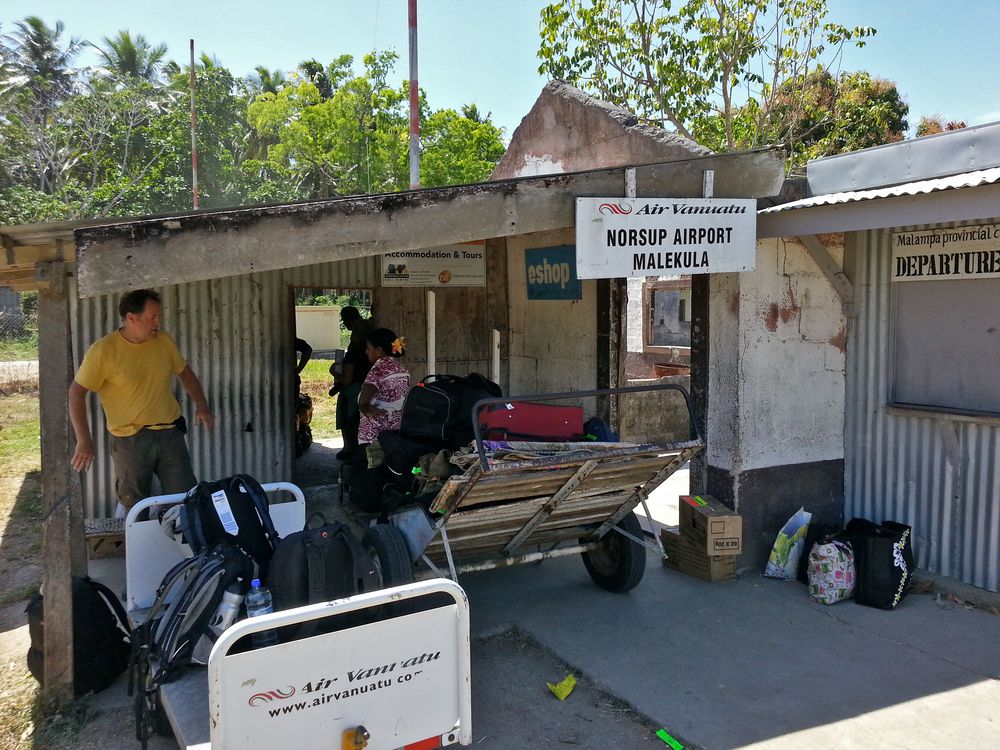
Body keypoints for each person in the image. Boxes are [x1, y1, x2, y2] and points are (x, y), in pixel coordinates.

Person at [69, 289, 215, 516]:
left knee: (186, 497)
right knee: (134, 503)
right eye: (152, 317)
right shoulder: (103, 351)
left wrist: (202, 406)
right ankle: (137, 549)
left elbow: (185, 373)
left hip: (170, 434)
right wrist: (83, 440)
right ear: (131, 318)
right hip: (130, 440)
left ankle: (183, 548)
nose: (158, 322)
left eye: (159, 316)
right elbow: (76, 393)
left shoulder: (164, 342)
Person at [357, 328, 410, 464]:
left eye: (368, 348)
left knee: (375, 471)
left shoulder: (379, 370)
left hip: (376, 435)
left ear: (379, 351)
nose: (366, 352)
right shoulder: (400, 368)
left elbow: (363, 401)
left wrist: (367, 410)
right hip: (396, 431)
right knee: (392, 469)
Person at [330, 306, 375, 462]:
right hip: (371, 390)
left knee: (348, 420)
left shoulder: (354, 351)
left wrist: (334, 372)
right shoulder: (374, 350)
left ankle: (349, 449)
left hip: (354, 391)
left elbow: (348, 379)